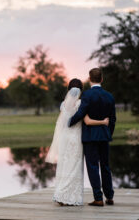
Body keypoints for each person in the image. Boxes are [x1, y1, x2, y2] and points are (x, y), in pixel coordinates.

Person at [46, 78, 109, 206]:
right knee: (74, 167)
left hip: (64, 138)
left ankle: (60, 194)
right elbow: (86, 120)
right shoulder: (81, 103)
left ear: (69, 89)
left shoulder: (63, 104)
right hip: (75, 139)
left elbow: (63, 122)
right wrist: (103, 121)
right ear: (81, 90)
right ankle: (71, 197)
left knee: (64, 166)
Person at [69, 68, 116, 207]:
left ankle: (98, 198)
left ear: (89, 79)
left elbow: (80, 113)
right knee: (106, 166)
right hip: (104, 136)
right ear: (102, 79)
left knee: (93, 166)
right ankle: (110, 196)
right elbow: (113, 120)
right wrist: (108, 133)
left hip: (90, 137)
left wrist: (67, 123)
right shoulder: (109, 96)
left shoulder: (87, 95)